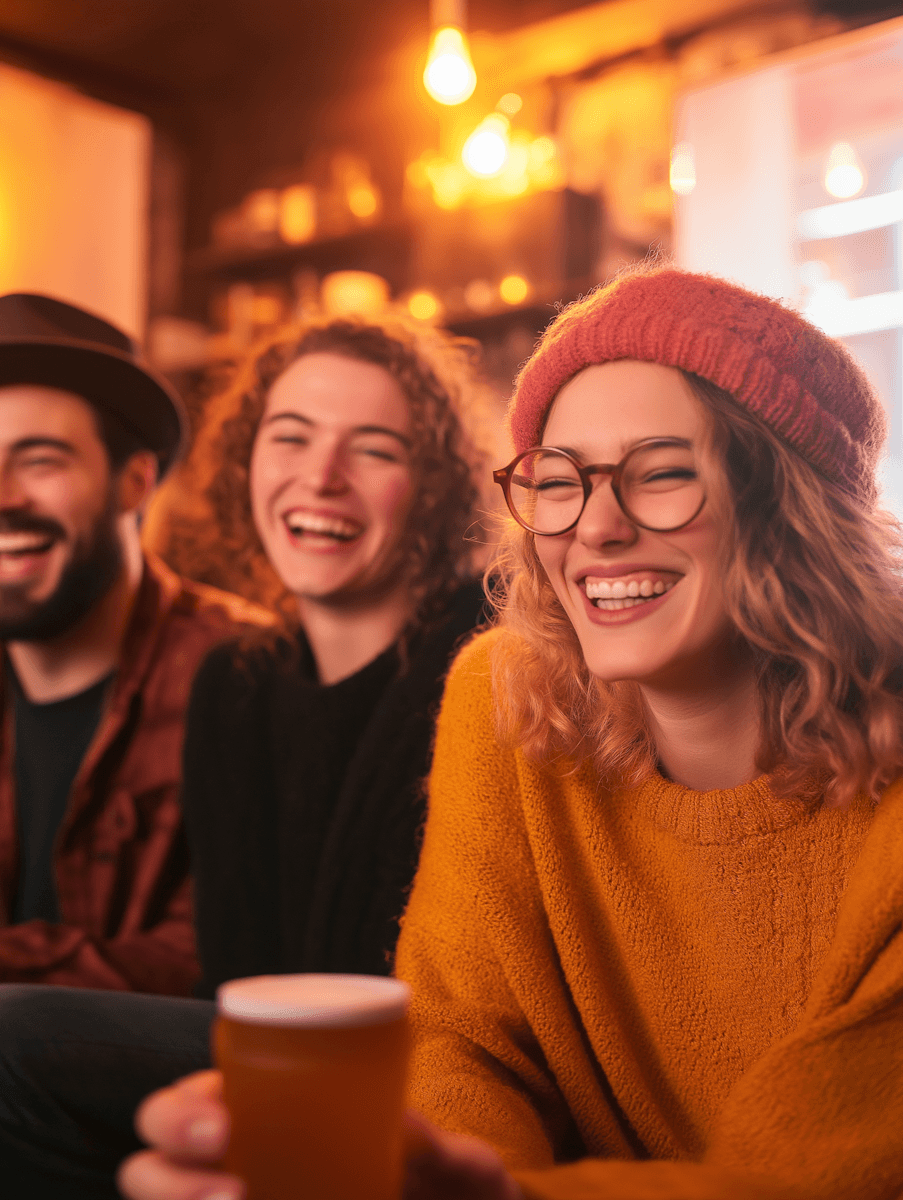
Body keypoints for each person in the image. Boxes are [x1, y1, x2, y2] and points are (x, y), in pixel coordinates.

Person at [115, 267, 903, 1200]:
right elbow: (457, 1035)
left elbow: (820, 1181)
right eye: (560, 481)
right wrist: (439, 1174)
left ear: (791, 509)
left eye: (661, 474)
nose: (596, 528)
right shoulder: (508, 697)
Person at [0, 314, 490, 1199]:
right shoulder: (244, 681)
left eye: (373, 448)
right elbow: (238, 974)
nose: (320, 476)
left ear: (437, 484)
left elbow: (418, 998)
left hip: (414, 1074)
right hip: (254, 1048)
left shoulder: (479, 669)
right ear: (248, 463)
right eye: (289, 437)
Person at [0, 293, 269, 1191]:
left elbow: (221, 953)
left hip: (173, 1102)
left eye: (39, 461)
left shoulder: (246, 672)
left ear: (134, 480)